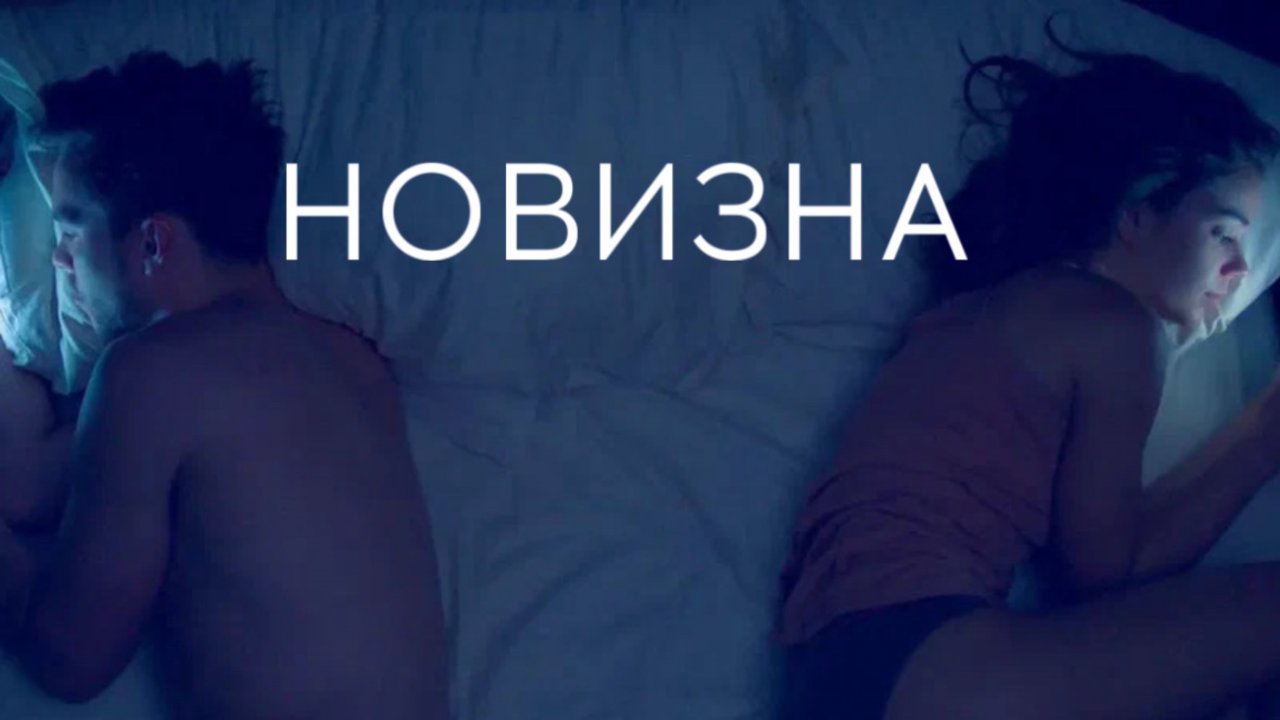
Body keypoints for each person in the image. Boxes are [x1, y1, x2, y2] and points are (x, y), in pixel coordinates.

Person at [777, 33, 1280, 720]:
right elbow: (1105, 570)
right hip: (928, 656)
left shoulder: (972, 314)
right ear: (1136, 214)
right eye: (1224, 232)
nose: (1241, 269)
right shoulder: (1111, 324)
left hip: (833, 675)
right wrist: (1260, 438)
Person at [0, 51, 449, 720]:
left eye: (70, 228)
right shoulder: (352, 363)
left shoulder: (153, 373)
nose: (59, 259)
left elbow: (69, 659)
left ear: (153, 243)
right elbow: (31, 484)